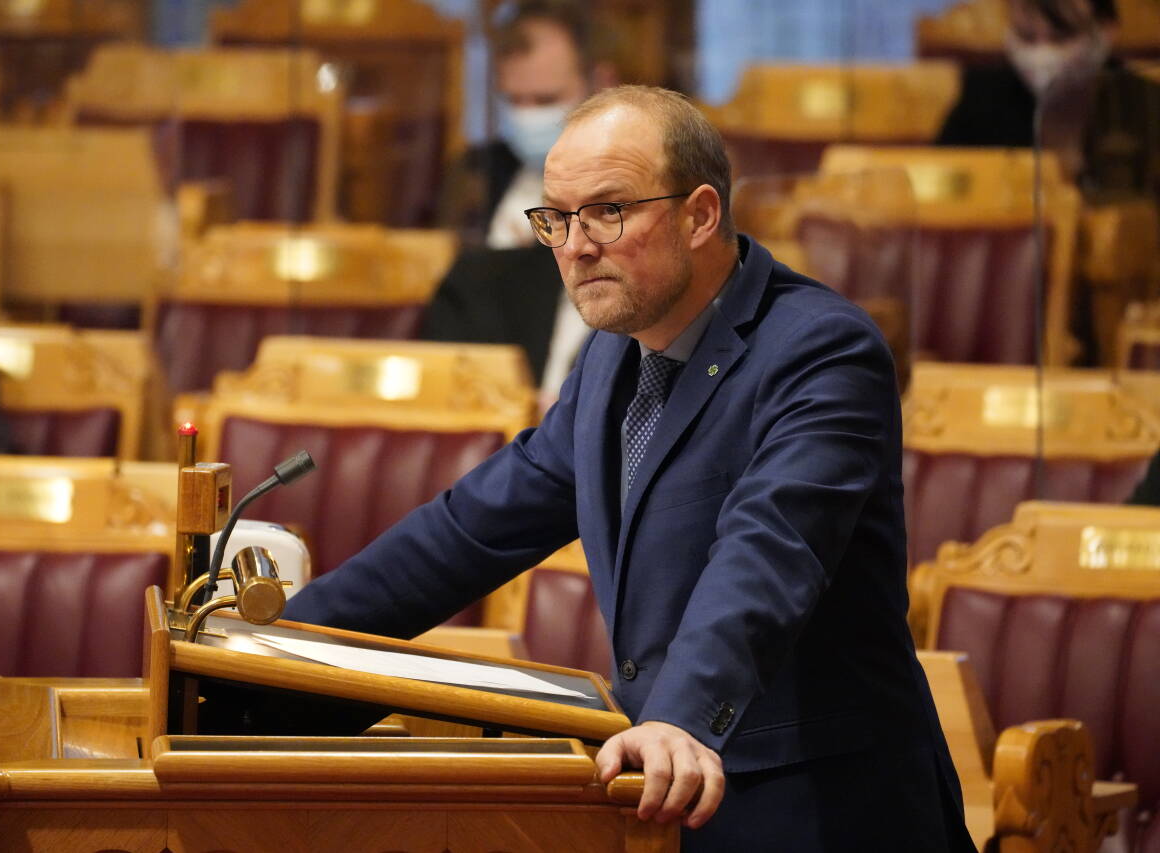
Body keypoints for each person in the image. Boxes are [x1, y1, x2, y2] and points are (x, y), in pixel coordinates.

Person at [285, 85, 973, 851]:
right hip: (670, 800)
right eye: (558, 218)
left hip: (823, 813)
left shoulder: (820, 352)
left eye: (609, 211)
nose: (576, 246)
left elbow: (770, 554)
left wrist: (678, 713)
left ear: (701, 213)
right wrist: (284, 642)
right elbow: (473, 528)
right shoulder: (612, 355)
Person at [427, 0, 615, 401]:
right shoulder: (475, 177)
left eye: (546, 101)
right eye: (513, 101)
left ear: (600, 83)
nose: (527, 118)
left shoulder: (637, 192)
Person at [936, 0, 1160, 204]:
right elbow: (941, 195)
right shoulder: (980, 99)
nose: (1042, 54)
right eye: (1026, 36)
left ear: (1106, 31)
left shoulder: (1148, 106)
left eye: (1061, 37)